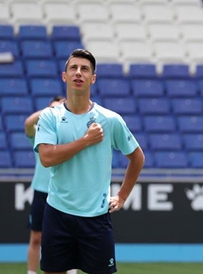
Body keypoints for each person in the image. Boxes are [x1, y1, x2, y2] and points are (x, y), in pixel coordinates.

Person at [34, 49, 145, 274]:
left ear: (92, 78)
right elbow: (46, 158)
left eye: (85, 69)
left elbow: (137, 158)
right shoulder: (50, 116)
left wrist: (122, 196)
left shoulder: (110, 119)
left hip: (96, 217)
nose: (78, 73)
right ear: (64, 76)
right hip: (57, 213)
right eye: (73, 68)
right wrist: (85, 140)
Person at [25, 96, 78, 274]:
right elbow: (27, 124)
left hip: (64, 192)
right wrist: (49, 110)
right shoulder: (41, 135)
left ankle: (71, 270)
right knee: (36, 238)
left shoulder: (67, 134)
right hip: (42, 191)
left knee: (69, 238)